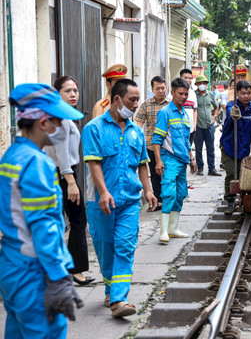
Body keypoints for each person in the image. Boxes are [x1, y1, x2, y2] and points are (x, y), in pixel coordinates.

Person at [0, 83, 84, 338]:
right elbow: (44, 226)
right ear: (43, 123)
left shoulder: (11, 156)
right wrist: (59, 277)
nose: (62, 126)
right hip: (35, 274)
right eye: (58, 120)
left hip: (12, 268)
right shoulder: (39, 164)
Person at [82, 79, 157, 318]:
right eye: (132, 100)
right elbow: (94, 164)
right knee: (106, 248)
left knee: (124, 247)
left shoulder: (136, 131)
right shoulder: (93, 129)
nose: (136, 105)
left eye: (137, 100)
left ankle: (119, 299)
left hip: (129, 201)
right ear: (117, 100)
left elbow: (143, 165)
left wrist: (148, 190)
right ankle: (110, 288)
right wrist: (103, 192)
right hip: (100, 202)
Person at [44, 76, 93, 286]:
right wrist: (71, 183)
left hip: (58, 174)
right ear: (57, 94)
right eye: (68, 91)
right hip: (62, 175)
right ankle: (75, 271)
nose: (73, 94)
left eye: (75, 90)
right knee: (78, 220)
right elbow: (62, 152)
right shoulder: (60, 119)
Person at [152, 78, 197, 243]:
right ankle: (163, 231)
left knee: (180, 194)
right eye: (180, 94)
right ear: (172, 93)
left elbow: (186, 140)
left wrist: (192, 159)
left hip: (182, 160)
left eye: (186, 94)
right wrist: (158, 161)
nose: (183, 97)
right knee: (169, 193)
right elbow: (157, 139)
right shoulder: (165, 113)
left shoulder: (185, 113)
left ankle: (173, 229)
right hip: (169, 160)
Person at [220, 80, 251, 214]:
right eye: (243, 93)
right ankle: (230, 201)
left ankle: (242, 196)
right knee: (231, 173)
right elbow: (230, 114)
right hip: (229, 147)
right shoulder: (232, 105)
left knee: (243, 174)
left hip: (244, 148)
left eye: (248, 93)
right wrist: (233, 114)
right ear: (237, 93)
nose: (246, 96)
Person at [135, 76, 170, 209]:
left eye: (163, 88)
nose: (161, 91)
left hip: (167, 146)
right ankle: (159, 200)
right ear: (152, 89)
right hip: (150, 144)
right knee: (155, 174)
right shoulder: (146, 104)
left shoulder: (171, 104)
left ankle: (169, 198)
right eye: (158, 88)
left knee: (168, 173)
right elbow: (138, 123)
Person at [194, 75, 221, 176]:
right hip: (198, 125)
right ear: (197, 84)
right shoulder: (193, 95)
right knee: (198, 148)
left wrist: (214, 116)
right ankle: (200, 168)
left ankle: (212, 168)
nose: (202, 85)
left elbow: (217, 106)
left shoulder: (210, 94)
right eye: (200, 83)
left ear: (206, 84)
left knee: (211, 148)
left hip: (209, 125)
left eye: (204, 83)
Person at [179, 69, 198, 147]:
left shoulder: (193, 93)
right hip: (179, 129)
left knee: (188, 150)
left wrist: (194, 125)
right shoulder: (175, 93)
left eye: (190, 78)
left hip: (190, 129)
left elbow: (195, 110)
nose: (188, 80)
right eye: (185, 78)